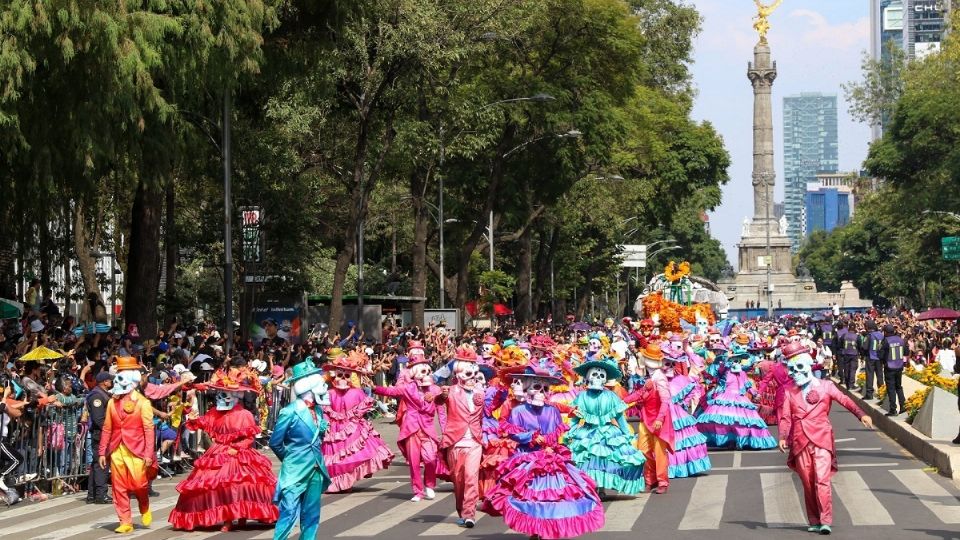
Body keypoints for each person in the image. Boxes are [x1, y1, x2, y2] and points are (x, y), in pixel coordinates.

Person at [484, 359, 604, 540]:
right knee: (530, 497)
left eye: (545, 389)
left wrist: (550, 445)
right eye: (537, 387)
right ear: (527, 389)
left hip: (550, 459)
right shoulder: (518, 412)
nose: (541, 392)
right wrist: (531, 436)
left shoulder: (552, 411)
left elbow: (556, 433)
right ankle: (535, 529)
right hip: (528, 458)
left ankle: (547, 529)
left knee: (553, 496)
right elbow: (513, 433)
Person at [778, 341, 873, 535]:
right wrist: (782, 436)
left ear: (808, 366)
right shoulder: (789, 391)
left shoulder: (826, 386)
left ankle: (825, 520)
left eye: (798, 368)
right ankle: (813, 519)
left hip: (821, 438)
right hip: (799, 441)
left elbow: (845, 400)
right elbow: (785, 416)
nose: (794, 373)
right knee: (807, 481)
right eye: (790, 369)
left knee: (822, 480)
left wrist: (860, 414)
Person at [168, 373, 278, 532]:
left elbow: (249, 438)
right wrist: (193, 418)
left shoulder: (244, 415)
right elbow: (203, 422)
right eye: (218, 394)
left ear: (234, 396)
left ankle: (242, 516)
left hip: (239, 452)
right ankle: (228, 519)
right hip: (219, 451)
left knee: (242, 485)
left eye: (224, 394)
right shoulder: (214, 412)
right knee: (219, 486)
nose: (220, 398)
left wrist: (238, 447)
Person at [565, 356, 646, 497]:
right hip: (588, 432)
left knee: (606, 461)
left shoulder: (611, 396)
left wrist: (626, 433)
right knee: (588, 461)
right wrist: (570, 431)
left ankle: (601, 488)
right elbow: (576, 416)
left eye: (601, 375)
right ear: (589, 377)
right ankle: (592, 488)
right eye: (595, 374)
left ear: (605, 379)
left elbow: (619, 417)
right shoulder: (582, 396)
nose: (598, 378)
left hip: (608, 433)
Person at [270, 358, 331, 540]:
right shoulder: (289, 411)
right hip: (295, 469)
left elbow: (317, 438)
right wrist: (290, 458)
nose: (325, 388)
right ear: (309, 386)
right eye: (321, 384)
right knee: (288, 512)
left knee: (311, 514)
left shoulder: (319, 411)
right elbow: (275, 442)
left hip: (316, 469)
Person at [320, 349, 394, 493]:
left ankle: (345, 482)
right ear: (334, 375)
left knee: (349, 455)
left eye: (346, 375)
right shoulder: (329, 393)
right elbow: (325, 411)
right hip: (334, 431)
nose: (342, 378)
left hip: (350, 428)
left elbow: (362, 409)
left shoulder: (355, 392)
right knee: (337, 457)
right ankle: (337, 483)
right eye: (339, 374)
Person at [98, 357, 155, 534]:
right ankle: (125, 521)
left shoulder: (143, 403)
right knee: (118, 486)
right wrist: (102, 452)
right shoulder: (111, 403)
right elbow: (107, 428)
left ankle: (144, 504)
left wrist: (148, 453)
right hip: (117, 449)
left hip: (137, 450)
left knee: (139, 484)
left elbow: (149, 430)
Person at [435, 346, 484, 528]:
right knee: (459, 480)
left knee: (471, 476)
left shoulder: (481, 392)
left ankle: (470, 513)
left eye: (473, 373)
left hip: (474, 442)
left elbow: (490, 410)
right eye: (467, 372)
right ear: (459, 372)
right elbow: (438, 399)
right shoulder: (451, 391)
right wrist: (441, 395)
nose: (471, 377)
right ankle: (462, 510)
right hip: (455, 441)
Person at [624, 343, 674, 494]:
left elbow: (665, 401)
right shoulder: (647, 377)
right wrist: (621, 401)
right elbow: (639, 394)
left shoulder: (660, 379)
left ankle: (662, 482)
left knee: (659, 452)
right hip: (646, 419)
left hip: (659, 421)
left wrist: (659, 418)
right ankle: (650, 479)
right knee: (643, 450)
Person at [85, 371, 113, 504]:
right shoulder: (97, 396)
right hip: (101, 433)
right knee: (102, 464)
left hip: (102, 432)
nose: (111, 382)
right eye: (109, 380)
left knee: (97, 463)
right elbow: (98, 418)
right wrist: (109, 431)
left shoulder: (103, 394)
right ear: (104, 382)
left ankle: (92, 494)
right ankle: (100, 494)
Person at [879, 324, 907, 417]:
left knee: (891, 388)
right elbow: (906, 352)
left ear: (886, 332)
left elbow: (881, 355)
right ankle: (903, 406)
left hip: (889, 367)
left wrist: (883, 361)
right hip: (899, 366)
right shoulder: (900, 340)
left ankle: (893, 409)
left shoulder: (886, 341)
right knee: (899, 386)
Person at [863, 321, 885, 400]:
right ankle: (881, 393)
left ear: (868, 327)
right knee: (880, 375)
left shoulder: (869, 336)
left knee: (870, 375)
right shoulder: (881, 335)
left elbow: (865, 347)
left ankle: (869, 394)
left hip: (871, 357)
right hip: (879, 358)